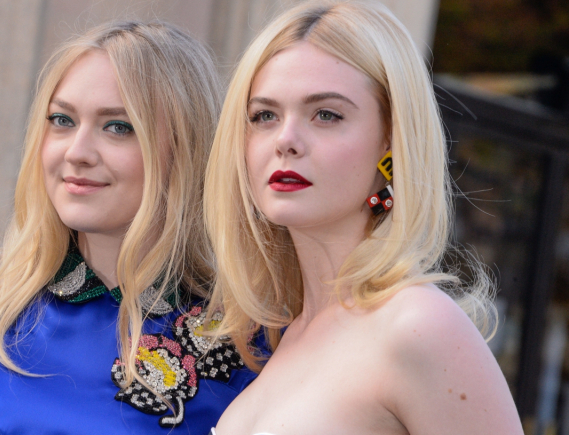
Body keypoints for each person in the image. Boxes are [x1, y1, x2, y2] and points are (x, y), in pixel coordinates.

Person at [0, 21, 255, 435]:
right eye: (62, 120)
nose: (77, 152)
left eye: (118, 127)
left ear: (186, 147)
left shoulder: (243, 346)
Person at [203, 1, 523, 434]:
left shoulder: (419, 325)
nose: (286, 140)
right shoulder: (282, 338)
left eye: (326, 114)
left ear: (390, 139)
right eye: (264, 116)